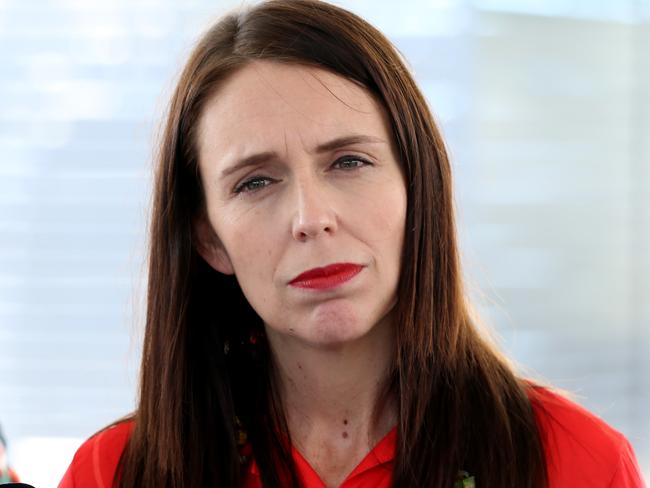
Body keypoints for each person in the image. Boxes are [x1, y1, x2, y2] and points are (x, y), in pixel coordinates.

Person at [59, 1, 646, 487]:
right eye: (256, 181)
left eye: (349, 161)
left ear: (418, 187)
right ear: (209, 238)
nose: (311, 218)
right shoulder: (111, 472)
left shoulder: (579, 462)